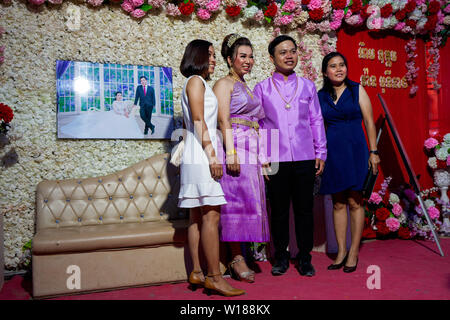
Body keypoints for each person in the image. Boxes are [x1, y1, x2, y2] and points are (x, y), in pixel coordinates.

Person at [253, 35, 327, 277]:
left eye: (292, 51)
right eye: (283, 52)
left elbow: (316, 120)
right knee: (279, 211)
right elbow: (257, 125)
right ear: (272, 57)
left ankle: (305, 258)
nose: (289, 56)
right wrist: (262, 157)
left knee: (305, 210)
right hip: (275, 159)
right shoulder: (262, 88)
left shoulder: (307, 86)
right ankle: (281, 257)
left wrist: (321, 152)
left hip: (305, 157)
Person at [178, 39, 245, 297]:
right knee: (211, 215)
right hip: (201, 153)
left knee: (197, 216)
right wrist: (212, 156)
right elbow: (197, 119)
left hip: (197, 152)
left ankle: (196, 271)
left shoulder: (199, 83)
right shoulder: (195, 81)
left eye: (214, 55)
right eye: (210, 54)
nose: (214, 59)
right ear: (197, 56)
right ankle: (214, 276)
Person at [213, 34, 270, 283]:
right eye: (242, 56)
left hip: (251, 148)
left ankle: (243, 252)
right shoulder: (224, 83)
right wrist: (231, 152)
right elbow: (222, 119)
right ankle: (235, 257)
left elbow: (257, 121)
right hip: (234, 146)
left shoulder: (246, 85)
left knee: (249, 201)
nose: (248, 61)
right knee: (235, 202)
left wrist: (263, 155)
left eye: (250, 56)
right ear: (229, 59)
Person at [318, 52, 380, 273]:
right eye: (333, 66)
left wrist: (373, 152)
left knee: (355, 201)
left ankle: (354, 251)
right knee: (338, 203)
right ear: (326, 72)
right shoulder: (320, 96)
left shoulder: (356, 90)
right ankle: (341, 251)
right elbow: (318, 127)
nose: (339, 69)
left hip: (356, 151)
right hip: (333, 153)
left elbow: (369, 122)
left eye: (342, 65)